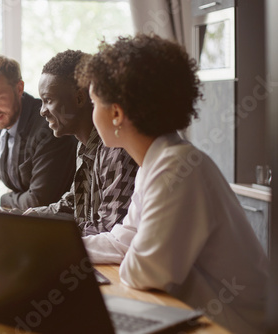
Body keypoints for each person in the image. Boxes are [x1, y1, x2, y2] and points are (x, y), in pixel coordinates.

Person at [76, 34, 269, 333]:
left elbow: (145, 271)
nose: (91, 112)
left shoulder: (176, 169)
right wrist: (63, 250)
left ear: (116, 112)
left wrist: (130, 252)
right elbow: (123, 239)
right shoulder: (158, 161)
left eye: (93, 103)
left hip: (236, 326)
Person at [28, 50, 138, 237]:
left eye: (48, 100)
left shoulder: (117, 151)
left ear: (79, 98)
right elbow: (73, 203)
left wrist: (45, 233)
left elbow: (108, 228)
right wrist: (27, 218)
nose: (42, 111)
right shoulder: (84, 146)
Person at [0, 55, 77, 211]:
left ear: (19, 88)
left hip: (55, 223)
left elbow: (39, 200)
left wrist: (4, 198)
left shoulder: (49, 126)